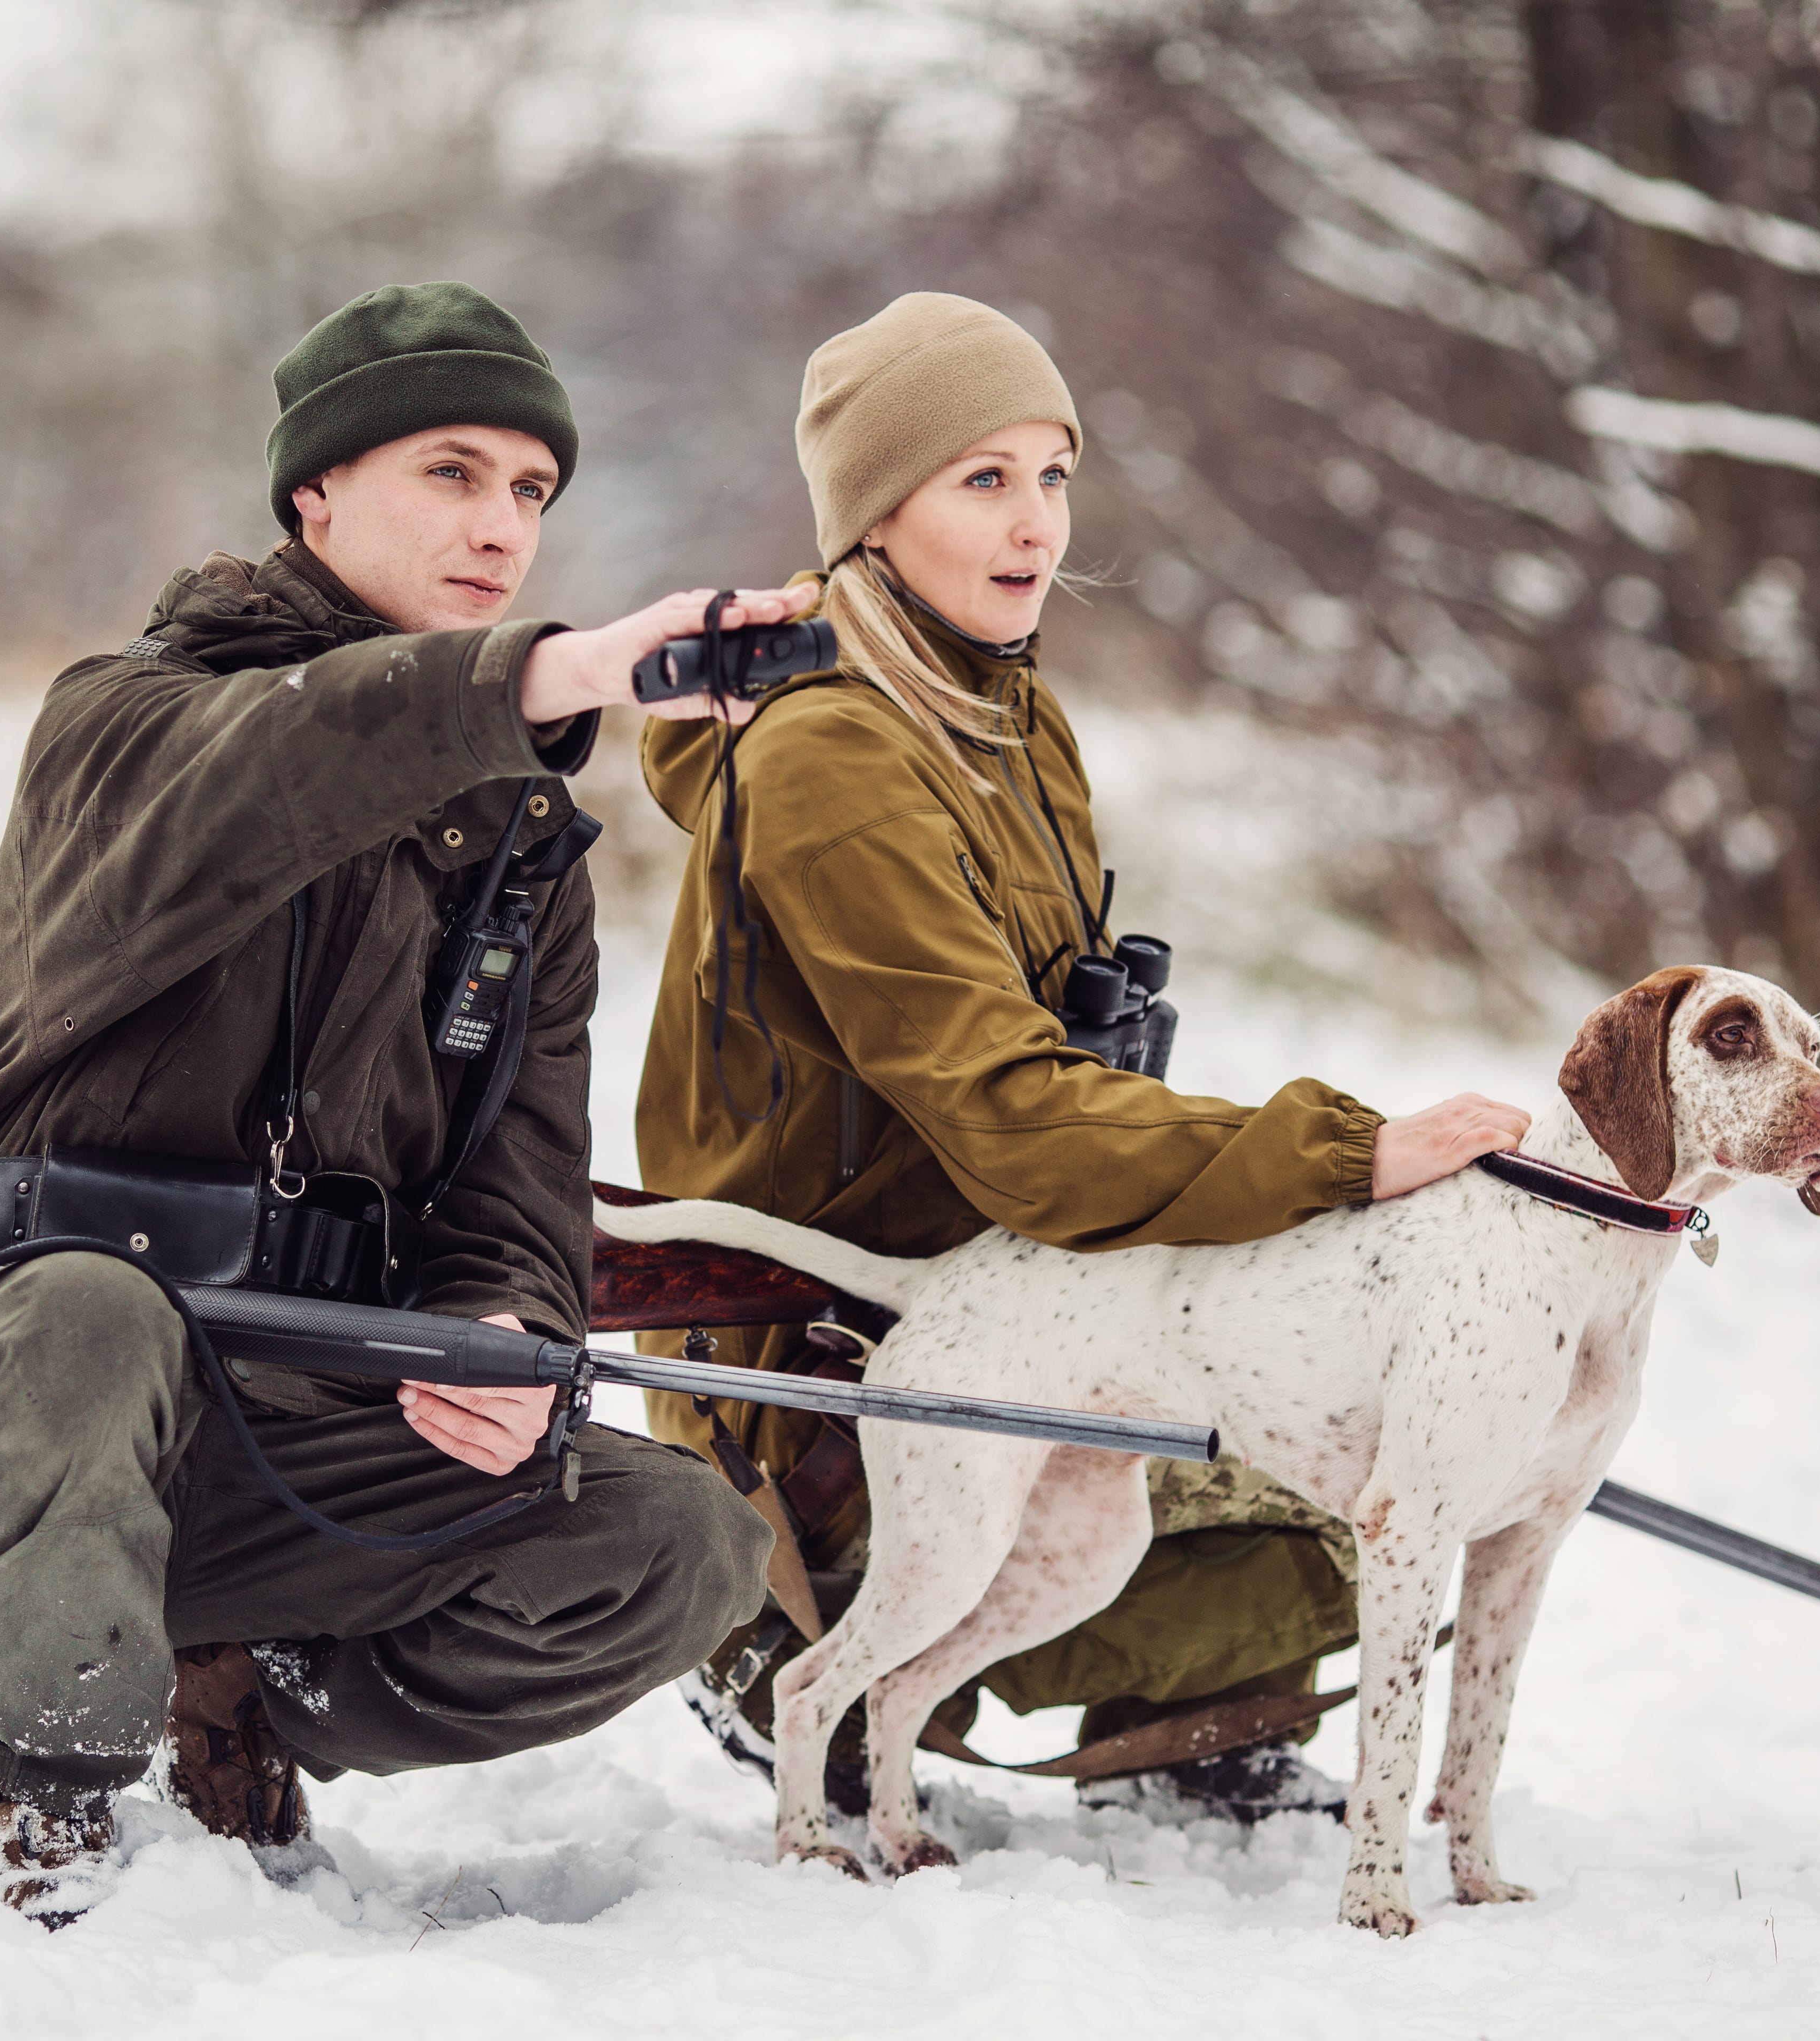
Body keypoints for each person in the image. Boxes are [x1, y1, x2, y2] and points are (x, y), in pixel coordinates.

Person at [0, 281, 787, 1921]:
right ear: (314, 493)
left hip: (289, 1446)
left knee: (679, 1542)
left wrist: (509, 1340)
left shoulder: (526, 855)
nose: (503, 525)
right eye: (452, 473)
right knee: (89, 1315)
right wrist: (553, 674)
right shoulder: (125, 727)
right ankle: (41, 1802)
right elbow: (289, 768)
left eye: (533, 491)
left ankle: (244, 1695)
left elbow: (520, 1193)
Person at [631, 292, 1531, 1822]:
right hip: (839, 1362)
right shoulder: (832, 749)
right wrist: (1343, 1153)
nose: (1036, 521)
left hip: (1030, 1281)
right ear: (874, 515)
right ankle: (783, 1653)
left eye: (1054, 474)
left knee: (1356, 1452)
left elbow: (1053, 1089)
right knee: (1310, 1526)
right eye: (982, 478)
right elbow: (1016, 1123)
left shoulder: (1003, 711)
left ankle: (1181, 1716)